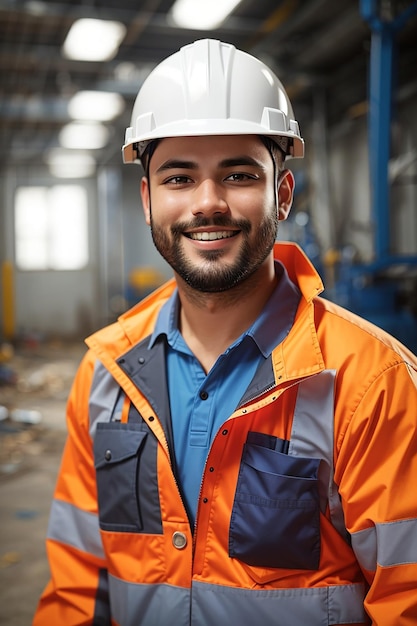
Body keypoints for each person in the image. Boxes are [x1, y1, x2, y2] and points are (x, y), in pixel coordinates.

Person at [33, 38, 417, 626]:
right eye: (179, 179)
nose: (207, 204)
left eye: (237, 175)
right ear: (148, 199)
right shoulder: (104, 375)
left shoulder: (372, 381)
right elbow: (77, 591)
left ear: (282, 194)